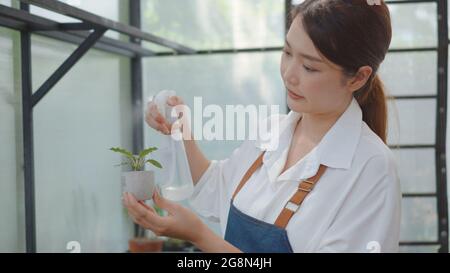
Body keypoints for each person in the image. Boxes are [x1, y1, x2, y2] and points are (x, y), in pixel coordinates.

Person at [123, 0, 401, 253]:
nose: (289, 74)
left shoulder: (371, 167)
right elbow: (216, 191)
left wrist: (201, 237)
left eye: (310, 67)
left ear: (357, 77)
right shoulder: (270, 132)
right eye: (287, 52)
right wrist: (181, 132)